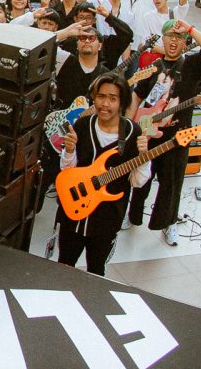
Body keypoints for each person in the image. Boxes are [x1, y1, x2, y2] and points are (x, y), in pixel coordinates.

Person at [127, 18, 201, 245]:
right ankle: (132, 216)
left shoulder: (190, 65)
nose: (173, 41)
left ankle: (168, 223)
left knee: (171, 183)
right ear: (163, 38)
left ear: (185, 41)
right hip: (149, 134)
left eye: (179, 38)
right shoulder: (153, 67)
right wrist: (130, 124)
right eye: (170, 36)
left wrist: (188, 27)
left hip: (178, 137)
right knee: (141, 179)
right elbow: (137, 95)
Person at [56, 72, 150, 276]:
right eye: (101, 96)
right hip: (72, 213)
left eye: (112, 98)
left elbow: (138, 181)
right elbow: (67, 172)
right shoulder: (82, 125)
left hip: (106, 218)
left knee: (96, 271)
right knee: (63, 266)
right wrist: (69, 151)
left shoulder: (133, 133)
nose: (105, 104)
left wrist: (145, 157)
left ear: (122, 102)